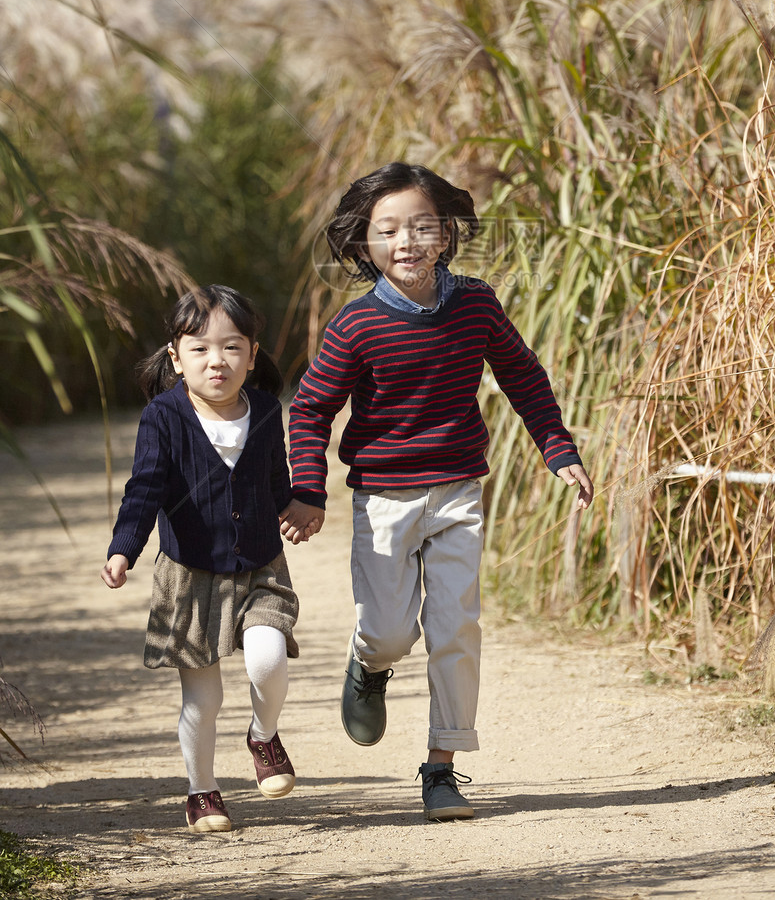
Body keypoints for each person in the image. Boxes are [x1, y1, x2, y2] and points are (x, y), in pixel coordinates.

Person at [282, 162, 593, 822]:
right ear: (364, 243)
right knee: (392, 631)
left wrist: (557, 446)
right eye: (388, 229)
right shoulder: (356, 326)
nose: (407, 242)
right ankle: (370, 663)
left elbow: (522, 373)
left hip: (458, 493)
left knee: (457, 627)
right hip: (386, 499)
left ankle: (441, 766)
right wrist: (307, 487)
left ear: (447, 233)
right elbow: (309, 410)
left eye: (423, 226)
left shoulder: (475, 302)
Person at [101, 285, 306, 834]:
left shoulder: (264, 410)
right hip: (189, 572)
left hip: (261, 564)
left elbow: (275, 479)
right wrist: (124, 548)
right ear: (176, 356)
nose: (217, 360)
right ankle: (202, 792)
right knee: (204, 697)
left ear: (252, 355)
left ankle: (263, 735)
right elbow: (144, 489)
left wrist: (297, 508)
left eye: (233, 347)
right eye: (200, 348)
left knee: (268, 658)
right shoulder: (163, 417)